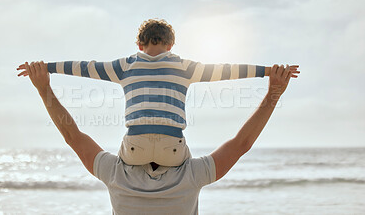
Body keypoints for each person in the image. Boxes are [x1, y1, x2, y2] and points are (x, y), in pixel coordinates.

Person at [17, 59, 299, 214]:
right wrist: (273, 92)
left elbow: (72, 136)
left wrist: (43, 88)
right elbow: (241, 144)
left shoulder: (116, 174)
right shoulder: (191, 176)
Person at [17, 19, 299, 168]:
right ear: (171, 44)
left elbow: (82, 68)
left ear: (139, 44)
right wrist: (267, 71)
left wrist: (46, 68)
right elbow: (228, 70)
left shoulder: (124, 66)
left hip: (134, 149)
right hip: (172, 150)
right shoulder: (184, 67)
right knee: (186, 164)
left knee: (123, 158)